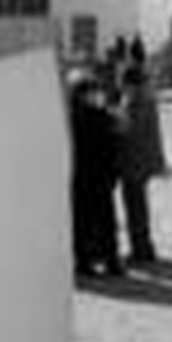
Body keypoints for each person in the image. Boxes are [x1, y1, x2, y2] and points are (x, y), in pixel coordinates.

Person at [67, 66, 123, 277]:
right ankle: (106, 260)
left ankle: (90, 260)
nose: (94, 94)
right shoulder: (99, 116)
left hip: (84, 177)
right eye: (90, 90)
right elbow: (113, 144)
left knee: (86, 221)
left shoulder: (72, 117)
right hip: (96, 176)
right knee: (101, 220)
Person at [113, 58, 166, 264]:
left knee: (135, 207)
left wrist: (112, 121)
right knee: (139, 205)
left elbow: (126, 129)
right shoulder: (146, 97)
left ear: (128, 82)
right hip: (143, 160)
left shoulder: (133, 101)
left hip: (133, 161)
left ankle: (141, 249)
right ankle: (144, 246)